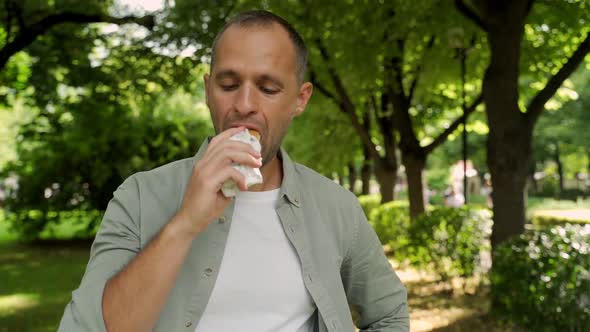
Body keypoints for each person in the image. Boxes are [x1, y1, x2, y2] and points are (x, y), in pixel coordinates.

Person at [58, 10, 408, 332]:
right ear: (208, 89)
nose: (244, 105)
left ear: (300, 99)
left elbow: (389, 313)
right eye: (228, 85)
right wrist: (185, 222)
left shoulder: (336, 207)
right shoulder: (138, 196)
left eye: (268, 88)